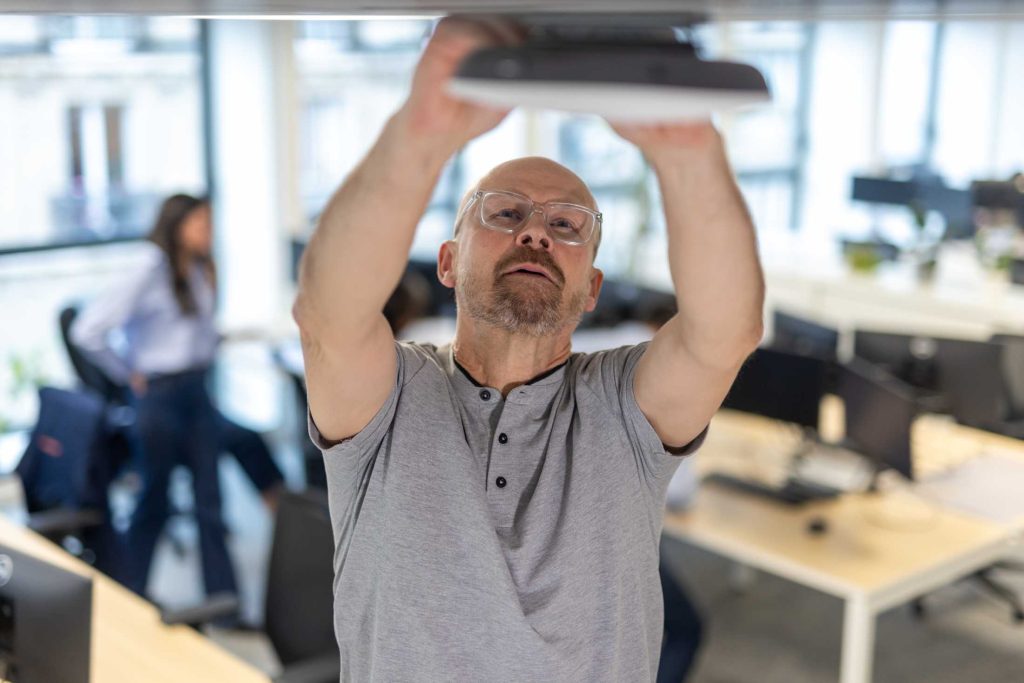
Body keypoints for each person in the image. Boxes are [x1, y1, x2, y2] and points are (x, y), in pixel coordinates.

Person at [293, 17, 764, 682]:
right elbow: (329, 318)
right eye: (506, 213)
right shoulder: (390, 399)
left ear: (592, 287)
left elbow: (723, 335)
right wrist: (425, 131)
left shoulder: (623, 407)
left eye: (566, 225)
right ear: (448, 262)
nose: (536, 234)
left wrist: (687, 149)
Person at [71, 193, 284, 598]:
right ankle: (128, 595)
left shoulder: (198, 268)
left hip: (196, 391)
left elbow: (191, 334)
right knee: (154, 501)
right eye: (201, 224)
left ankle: (223, 605)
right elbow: (87, 331)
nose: (209, 232)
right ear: (177, 226)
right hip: (159, 397)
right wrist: (126, 373)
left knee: (210, 501)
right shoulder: (149, 267)